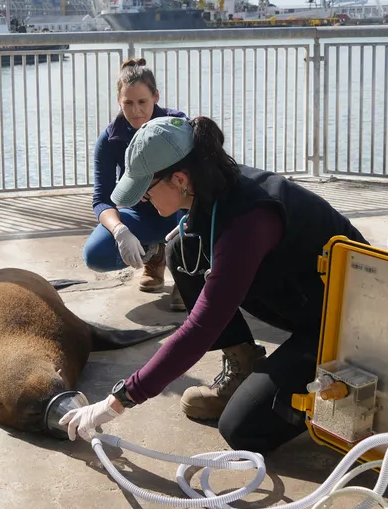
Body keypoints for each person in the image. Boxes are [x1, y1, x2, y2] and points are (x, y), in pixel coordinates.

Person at [61, 115, 368, 455]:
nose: (142, 201)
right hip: (302, 298)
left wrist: (119, 399)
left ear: (180, 179)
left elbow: (200, 328)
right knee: (181, 248)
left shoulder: (248, 222)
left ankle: (320, 391)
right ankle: (244, 363)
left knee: (242, 430)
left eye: (145, 191)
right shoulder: (215, 187)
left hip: (342, 324)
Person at [83, 59, 186, 304]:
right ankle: (154, 254)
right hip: (140, 213)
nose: (136, 110)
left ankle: (188, 272)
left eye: (143, 102)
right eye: (128, 103)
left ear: (156, 97)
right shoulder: (110, 139)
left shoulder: (179, 126)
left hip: (181, 212)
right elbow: (101, 198)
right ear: (119, 102)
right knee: (95, 255)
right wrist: (120, 231)